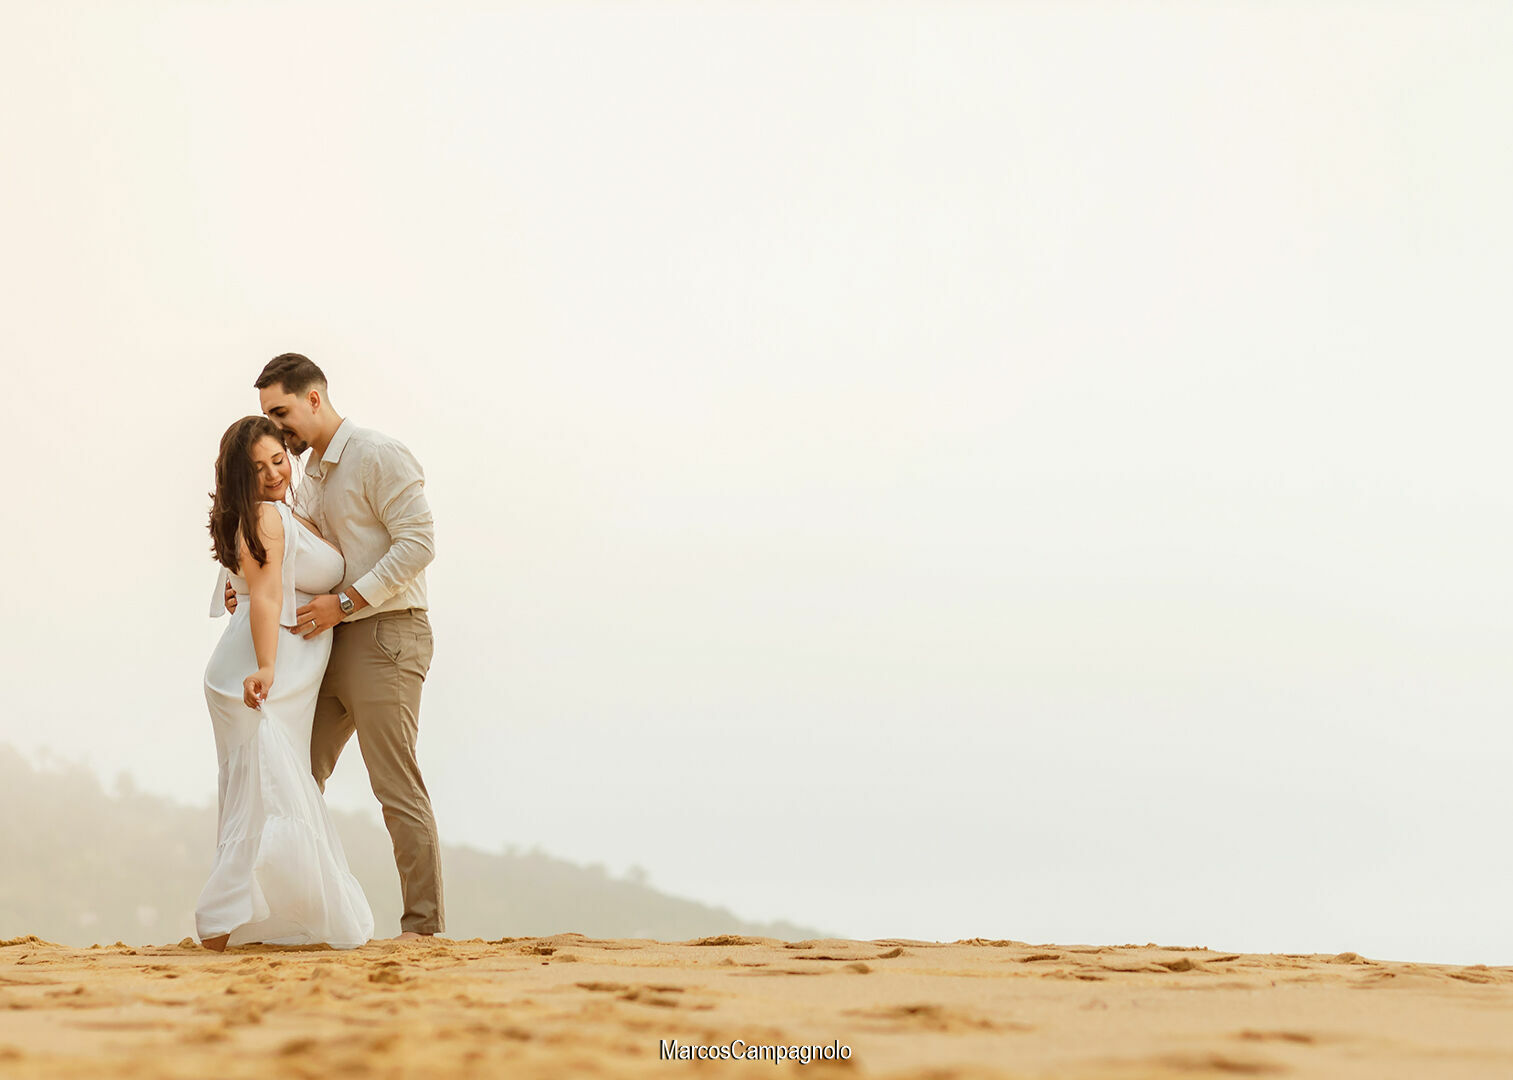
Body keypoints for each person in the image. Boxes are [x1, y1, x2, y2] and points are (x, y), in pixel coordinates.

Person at [224, 354, 445, 941]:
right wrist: (237, 584)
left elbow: (419, 544)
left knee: (393, 785)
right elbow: (294, 557)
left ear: (314, 398)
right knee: (293, 771)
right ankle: (291, 917)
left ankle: (423, 931)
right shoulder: (309, 475)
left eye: (281, 411)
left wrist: (346, 602)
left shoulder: (378, 454)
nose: (276, 424)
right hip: (328, 644)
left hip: (387, 635)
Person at [197, 416, 375, 951]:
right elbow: (267, 596)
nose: (275, 473)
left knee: (263, 788)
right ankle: (225, 921)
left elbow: (247, 587)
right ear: (239, 477)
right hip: (262, 671)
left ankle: (239, 920)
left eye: (279, 459)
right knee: (266, 790)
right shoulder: (268, 516)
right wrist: (268, 667)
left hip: (268, 669)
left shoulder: (277, 514)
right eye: (258, 469)